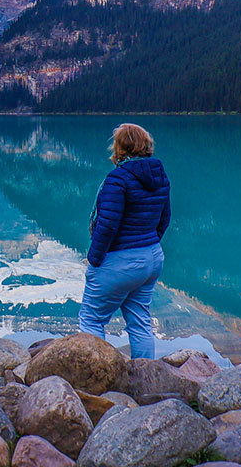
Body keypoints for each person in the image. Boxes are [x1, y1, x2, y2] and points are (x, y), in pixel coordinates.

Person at [79, 123, 170, 358]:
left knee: (91, 319)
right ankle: (145, 379)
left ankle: (94, 380)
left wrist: (94, 260)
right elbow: (164, 218)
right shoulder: (159, 175)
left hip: (122, 261)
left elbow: (107, 225)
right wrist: (147, 243)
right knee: (139, 321)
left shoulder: (118, 179)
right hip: (152, 257)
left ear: (120, 147)